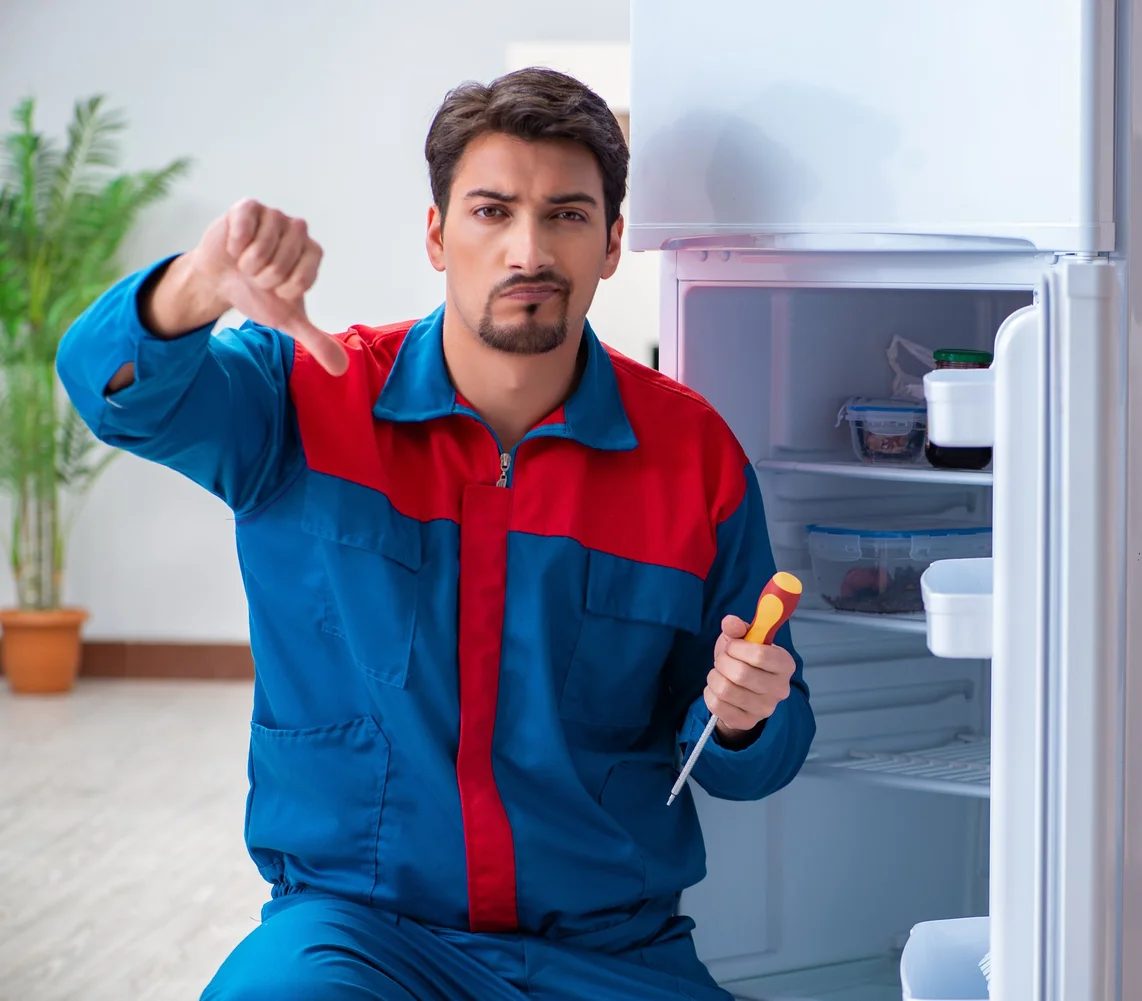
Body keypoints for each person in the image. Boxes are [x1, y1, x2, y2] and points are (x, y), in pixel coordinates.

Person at [56, 68, 815, 1001]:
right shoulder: (305, 395)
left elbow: (761, 754)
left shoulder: (693, 456)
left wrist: (744, 720)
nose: (527, 249)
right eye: (492, 211)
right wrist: (197, 287)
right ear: (436, 234)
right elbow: (109, 392)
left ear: (613, 243)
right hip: (355, 937)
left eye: (567, 215)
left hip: (610, 953)